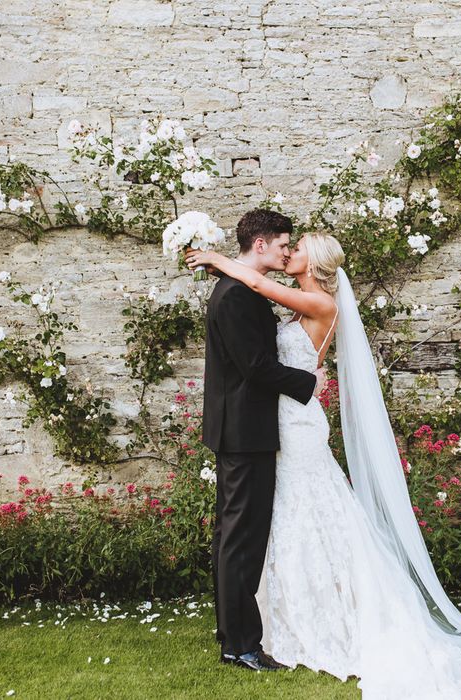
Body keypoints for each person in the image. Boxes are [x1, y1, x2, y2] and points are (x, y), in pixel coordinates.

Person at [187, 231, 461, 699]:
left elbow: (261, 288)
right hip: (282, 422)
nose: (289, 252)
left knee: (307, 512)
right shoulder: (302, 304)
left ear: (314, 261)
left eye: (296, 247)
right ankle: (275, 620)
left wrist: (218, 259)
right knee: (286, 518)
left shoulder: (320, 303)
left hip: (296, 428)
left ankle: (321, 620)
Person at [199, 209, 326, 672]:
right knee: (241, 540)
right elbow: (255, 366)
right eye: (281, 246)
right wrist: (310, 384)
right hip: (245, 431)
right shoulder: (235, 296)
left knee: (236, 536)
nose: (286, 252)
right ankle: (241, 646)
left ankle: (233, 633)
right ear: (259, 245)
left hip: (244, 428)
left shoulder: (242, 289)